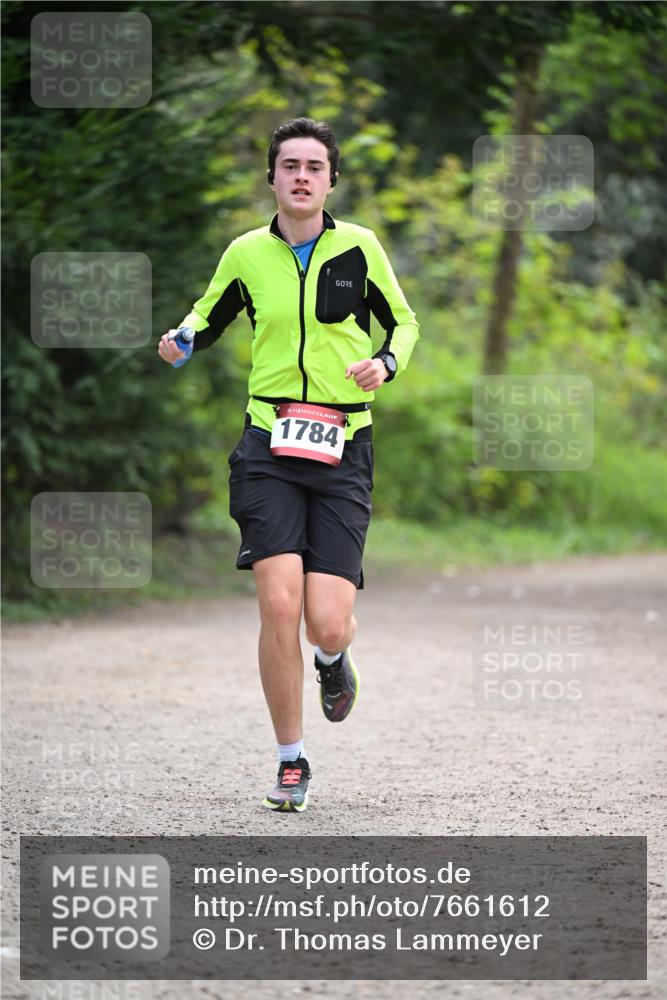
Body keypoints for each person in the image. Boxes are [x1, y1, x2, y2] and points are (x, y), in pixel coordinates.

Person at [158, 117, 418, 813]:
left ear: (330, 180)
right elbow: (205, 318)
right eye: (288, 165)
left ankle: (333, 662)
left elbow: (403, 322)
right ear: (271, 178)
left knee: (325, 621)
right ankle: (290, 759)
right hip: (269, 443)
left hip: (342, 446)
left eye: (313, 166)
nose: (300, 176)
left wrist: (386, 363)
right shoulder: (245, 254)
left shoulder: (359, 247)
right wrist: (179, 341)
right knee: (278, 603)